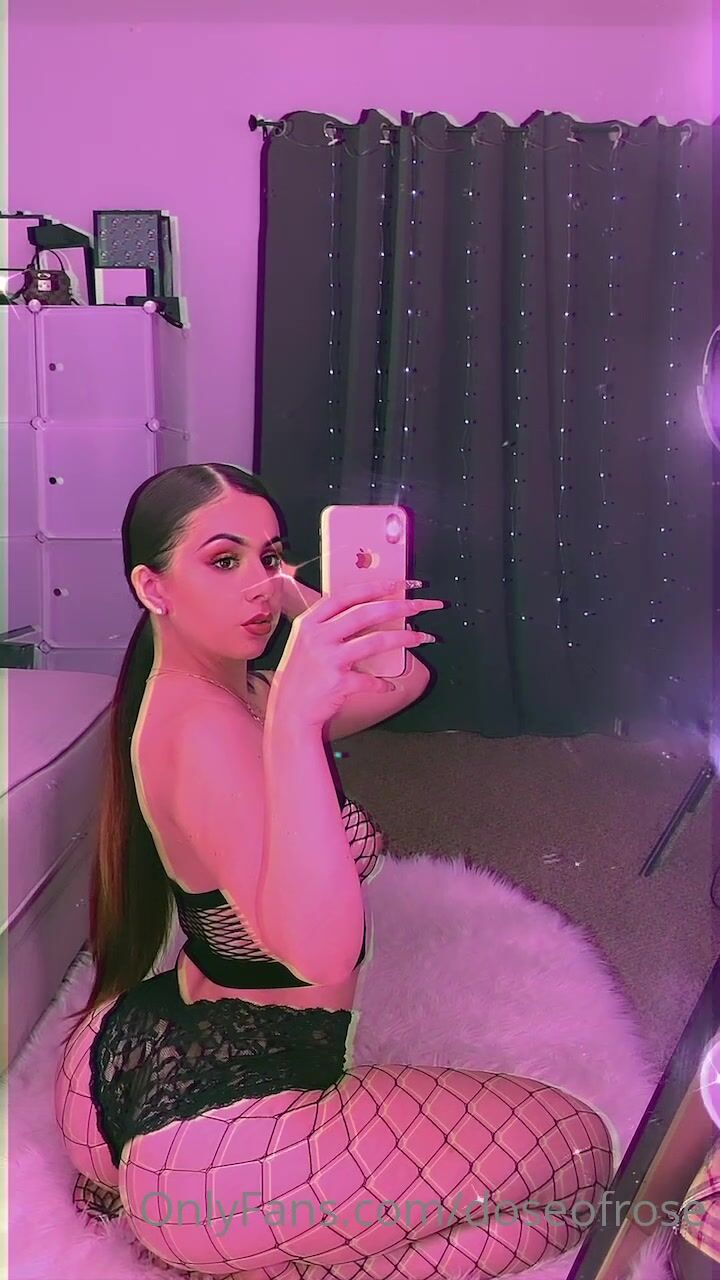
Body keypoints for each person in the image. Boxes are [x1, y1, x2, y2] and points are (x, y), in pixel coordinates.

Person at [55, 463, 617, 1279]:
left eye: (270, 555)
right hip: (227, 1150)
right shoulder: (211, 735)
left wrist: (308, 609)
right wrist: (295, 724)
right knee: (582, 1155)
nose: (259, 583)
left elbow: (402, 680)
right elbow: (318, 953)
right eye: (224, 560)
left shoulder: (228, 692)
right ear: (153, 587)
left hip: (136, 1061)